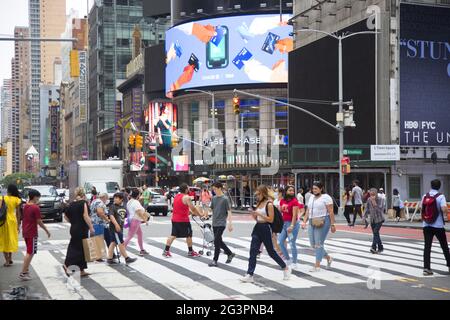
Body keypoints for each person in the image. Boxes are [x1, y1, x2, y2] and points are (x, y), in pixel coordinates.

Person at [240, 185, 290, 283]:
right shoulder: (259, 203)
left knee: (271, 252)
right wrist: (254, 215)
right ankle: (250, 274)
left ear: (263, 193)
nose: (257, 196)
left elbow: (270, 219)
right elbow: (257, 219)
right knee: (253, 252)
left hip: (266, 228)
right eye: (256, 194)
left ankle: (285, 267)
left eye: (258, 194)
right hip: (257, 227)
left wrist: (259, 214)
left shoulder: (269, 204)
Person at [163, 183, 207, 258]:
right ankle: (190, 251)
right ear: (186, 189)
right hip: (183, 220)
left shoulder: (177, 196)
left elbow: (180, 207)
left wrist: (189, 213)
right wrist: (200, 215)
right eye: (188, 188)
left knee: (173, 235)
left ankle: (166, 251)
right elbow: (193, 208)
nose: (189, 190)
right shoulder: (187, 197)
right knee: (189, 235)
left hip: (175, 219)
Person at [301, 181, 336, 272]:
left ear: (321, 188)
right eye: (313, 188)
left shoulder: (326, 197)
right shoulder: (311, 197)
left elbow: (331, 211)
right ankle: (328, 258)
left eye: (316, 188)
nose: (314, 190)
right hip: (312, 221)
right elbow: (308, 210)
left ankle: (317, 266)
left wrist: (332, 224)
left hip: (323, 221)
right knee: (313, 244)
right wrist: (304, 221)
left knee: (318, 244)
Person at [19, 189, 51, 281]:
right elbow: (39, 221)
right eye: (38, 197)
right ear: (35, 197)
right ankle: (23, 272)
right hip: (32, 232)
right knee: (30, 252)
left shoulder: (25, 206)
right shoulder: (35, 207)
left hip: (25, 231)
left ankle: (26, 270)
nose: (38, 199)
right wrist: (46, 230)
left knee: (29, 251)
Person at [63, 187, 95, 277]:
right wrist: (91, 227)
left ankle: (81, 270)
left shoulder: (72, 204)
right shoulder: (83, 203)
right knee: (77, 249)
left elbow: (65, 216)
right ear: (83, 194)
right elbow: (85, 216)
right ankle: (67, 265)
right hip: (81, 228)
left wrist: (73, 222)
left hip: (74, 228)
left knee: (80, 247)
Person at [421, 179, 450, 276]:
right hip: (438, 225)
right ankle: (449, 264)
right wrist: (446, 213)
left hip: (426, 225)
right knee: (444, 246)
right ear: (439, 186)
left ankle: (426, 268)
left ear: (431, 185)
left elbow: (422, 208)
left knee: (427, 246)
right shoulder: (441, 196)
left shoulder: (425, 196)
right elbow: (444, 208)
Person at [208, 182, 235, 267]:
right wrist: (206, 214)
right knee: (219, 240)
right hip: (214, 222)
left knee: (216, 241)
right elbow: (211, 209)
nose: (214, 191)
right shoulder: (214, 198)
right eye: (213, 189)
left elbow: (229, 211)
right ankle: (229, 253)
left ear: (220, 188)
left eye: (215, 189)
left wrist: (230, 224)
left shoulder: (225, 199)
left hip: (222, 223)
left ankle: (215, 260)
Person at [278, 185, 304, 270]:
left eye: (293, 190)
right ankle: (288, 259)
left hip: (292, 224)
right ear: (286, 191)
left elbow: (294, 215)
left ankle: (295, 262)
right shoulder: (282, 201)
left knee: (292, 243)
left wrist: (292, 226)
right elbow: (281, 212)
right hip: (284, 224)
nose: (292, 192)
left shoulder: (294, 201)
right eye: (290, 190)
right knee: (281, 241)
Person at [107, 193, 137, 265]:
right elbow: (111, 216)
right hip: (115, 228)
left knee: (113, 242)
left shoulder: (124, 207)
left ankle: (109, 258)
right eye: (115, 198)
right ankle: (127, 258)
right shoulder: (112, 206)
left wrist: (128, 224)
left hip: (120, 228)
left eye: (117, 198)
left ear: (121, 199)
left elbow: (125, 217)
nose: (115, 199)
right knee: (120, 243)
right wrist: (116, 225)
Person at [0, 184, 22, 267]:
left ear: (8, 190)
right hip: (13, 220)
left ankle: (7, 261)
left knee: (4, 240)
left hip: (4, 221)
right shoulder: (17, 199)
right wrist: (18, 224)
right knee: (11, 239)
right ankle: (10, 258)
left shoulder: (2, 198)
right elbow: (18, 213)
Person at [123, 189, 149, 256]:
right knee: (129, 236)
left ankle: (142, 249)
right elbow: (139, 212)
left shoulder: (130, 202)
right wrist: (145, 220)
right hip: (135, 220)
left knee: (140, 234)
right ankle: (122, 251)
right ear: (138, 195)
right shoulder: (136, 202)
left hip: (131, 219)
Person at [90, 193, 111, 261]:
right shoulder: (100, 203)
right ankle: (99, 257)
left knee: (96, 239)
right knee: (99, 239)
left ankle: (96, 256)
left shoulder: (94, 201)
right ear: (104, 197)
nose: (107, 200)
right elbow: (100, 212)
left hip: (93, 222)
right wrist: (107, 219)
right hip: (99, 222)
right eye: (107, 198)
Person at [363, 188, 385, 254]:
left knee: (375, 231)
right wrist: (364, 216)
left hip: (379, 219)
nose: (372, 196)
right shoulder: (369, 199)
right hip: (372, 219)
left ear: (376, 194)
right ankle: (380, 247)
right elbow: (366, 208)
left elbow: (380, 210)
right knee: (376, 233)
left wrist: (374, 203)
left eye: (373, 194)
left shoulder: (380, 199)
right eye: (371, 194)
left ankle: (373, 247)